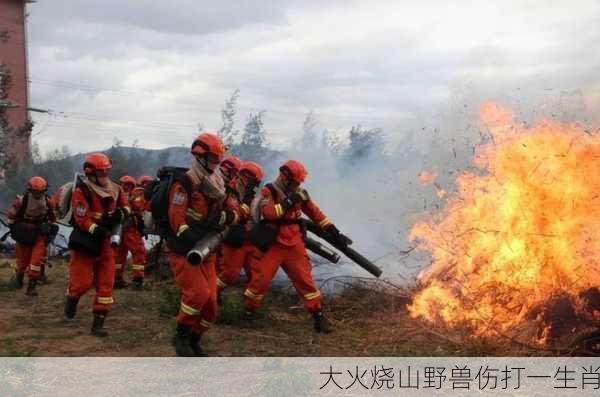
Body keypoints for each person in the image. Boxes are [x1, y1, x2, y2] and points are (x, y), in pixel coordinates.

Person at [166, 132, 240, 356]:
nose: (217, 163)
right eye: (214, 159)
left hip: (207, 249)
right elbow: (176, 218)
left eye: (219, 159)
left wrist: (227, 218)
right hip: (185, 250)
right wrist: (191, 238)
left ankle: (194, 339)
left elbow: (234, 210)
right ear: (200, 157)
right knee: (197, 294)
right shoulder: (186, 183)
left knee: (211, 306)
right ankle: (180, 338)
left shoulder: (218, 182)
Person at [243, 160, 338, 333]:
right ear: (285, 179)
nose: (298, 185)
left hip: (294, 243)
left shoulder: (299, 193)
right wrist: (288, 202)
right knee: (260, 280)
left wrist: (332, 229)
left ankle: (318, 316)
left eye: (299, 183)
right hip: (273, 244)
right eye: (295, 182)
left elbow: (314, 212)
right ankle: (249, 313)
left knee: (305, 280)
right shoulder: (269, 190)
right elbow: (269, 213)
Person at [64, 153, 130, 337]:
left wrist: (122, 214)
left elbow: (126, 206)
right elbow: (81, 218)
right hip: (86, 243)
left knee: (106, 285)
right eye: (102, 173)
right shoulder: (82, 191)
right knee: (81, 284)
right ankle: (72, 299)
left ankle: (98, 323)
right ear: (91, 174)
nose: (105, 176)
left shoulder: (115, 188)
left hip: (107, 243)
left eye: (107, 172)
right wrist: (96, 229)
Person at [217, 161, 264, 299]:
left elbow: (259, 215)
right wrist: (247, 203)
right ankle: (212, 295)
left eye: (250, 178)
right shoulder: (227, 191)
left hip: (250, 239)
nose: (246, 179)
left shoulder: (257, 196)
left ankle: (249, 306)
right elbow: (233, 214)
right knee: (229, 274)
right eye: (244, 175)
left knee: (256, 275)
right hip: (234, 238)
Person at [6, 176, 57, 296]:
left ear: (44, 191)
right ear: (30, 190)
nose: (38, 194)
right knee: (22, 261)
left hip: (39, 233)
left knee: (36, 260)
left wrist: (49, 226)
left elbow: (53, 218)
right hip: (24, 233)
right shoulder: (21, 201)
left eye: (40, 192)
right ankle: (18, 279)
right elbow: (11, 218)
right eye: (35, 192)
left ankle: (31, 287)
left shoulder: (49, 202)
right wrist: (15, 230)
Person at [114, 175, 147, 289]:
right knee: (139, 251)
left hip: (120, 228)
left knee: (120, 254)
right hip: (130, 228)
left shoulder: (118, 194)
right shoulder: (138, 193)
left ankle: (116, 279)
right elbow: (139, 207)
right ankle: (137, 280)